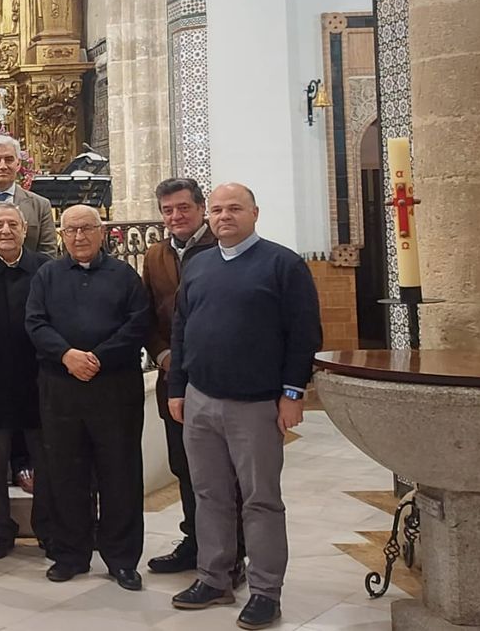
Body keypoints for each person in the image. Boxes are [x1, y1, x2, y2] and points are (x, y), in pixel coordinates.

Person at [167, 184, 322, 630]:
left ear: (254, 212)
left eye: (234, 208)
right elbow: (181, 329)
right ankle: (214, 578)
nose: (223, 216)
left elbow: (304, 333)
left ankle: (265, 590)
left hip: (255, 405)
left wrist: (293, 393)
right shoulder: (199, 265)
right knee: (209, 494)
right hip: (200, 400)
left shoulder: (282, 264)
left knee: (260, 500)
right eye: (216, 210)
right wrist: (178, 388)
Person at [24, 205, 151, 591]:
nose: (79, 237)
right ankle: (71, 554)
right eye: (71, 230)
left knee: (120, 473)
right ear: (61, 235)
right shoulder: (47, 275)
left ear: (102, 233)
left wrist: (99, 357)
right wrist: (67, 355)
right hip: (61, 388)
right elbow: (35, 322)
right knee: (65, 472)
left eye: (87, 229)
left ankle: (122, 558)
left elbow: (139, 322)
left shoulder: (124, 276)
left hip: (114, 388)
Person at [139, 178, 241, 579]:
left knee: (225, 471)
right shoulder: (155, 255)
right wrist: (162, 353)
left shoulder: (222, 248)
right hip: (173, 381)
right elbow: (148, 314)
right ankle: (195, 540)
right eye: (167, 210)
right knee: (184, 465)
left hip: (220, 378)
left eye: (183, 208)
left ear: (200, 208)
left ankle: (232, 551)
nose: (176, 217)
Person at [0, 201, 50, 561]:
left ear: (25, 230)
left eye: (12, 224)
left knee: (45, 458)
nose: (5, 231)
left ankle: (47, 527)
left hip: (37, 379)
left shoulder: (44, 269)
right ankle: (1, 529)